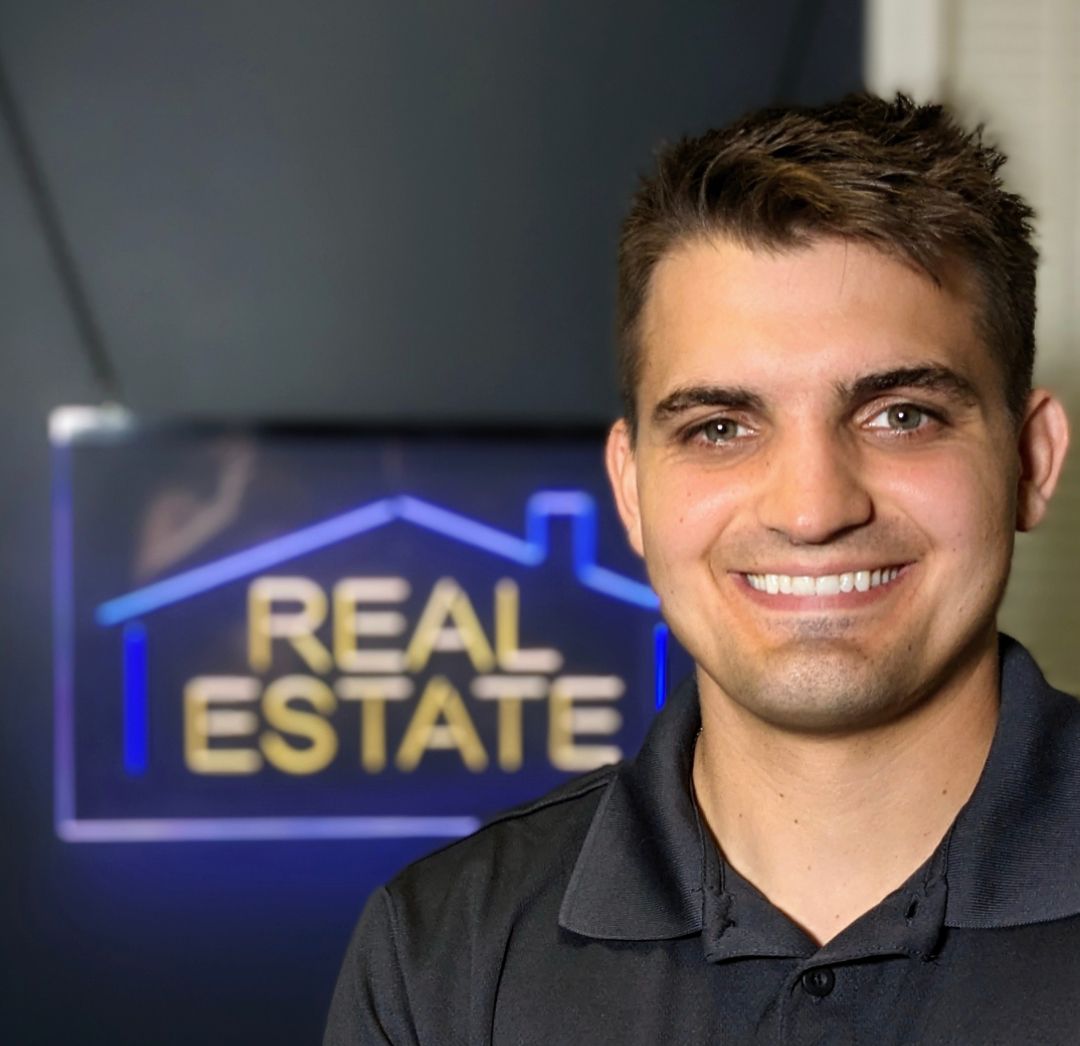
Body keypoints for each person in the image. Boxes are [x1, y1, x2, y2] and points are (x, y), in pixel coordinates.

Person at [324, 94, 1075, 1044]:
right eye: (720, 428)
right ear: (632, 490)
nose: (811, 509)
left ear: (1030, 461)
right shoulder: (446, 957)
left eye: (901, 416)